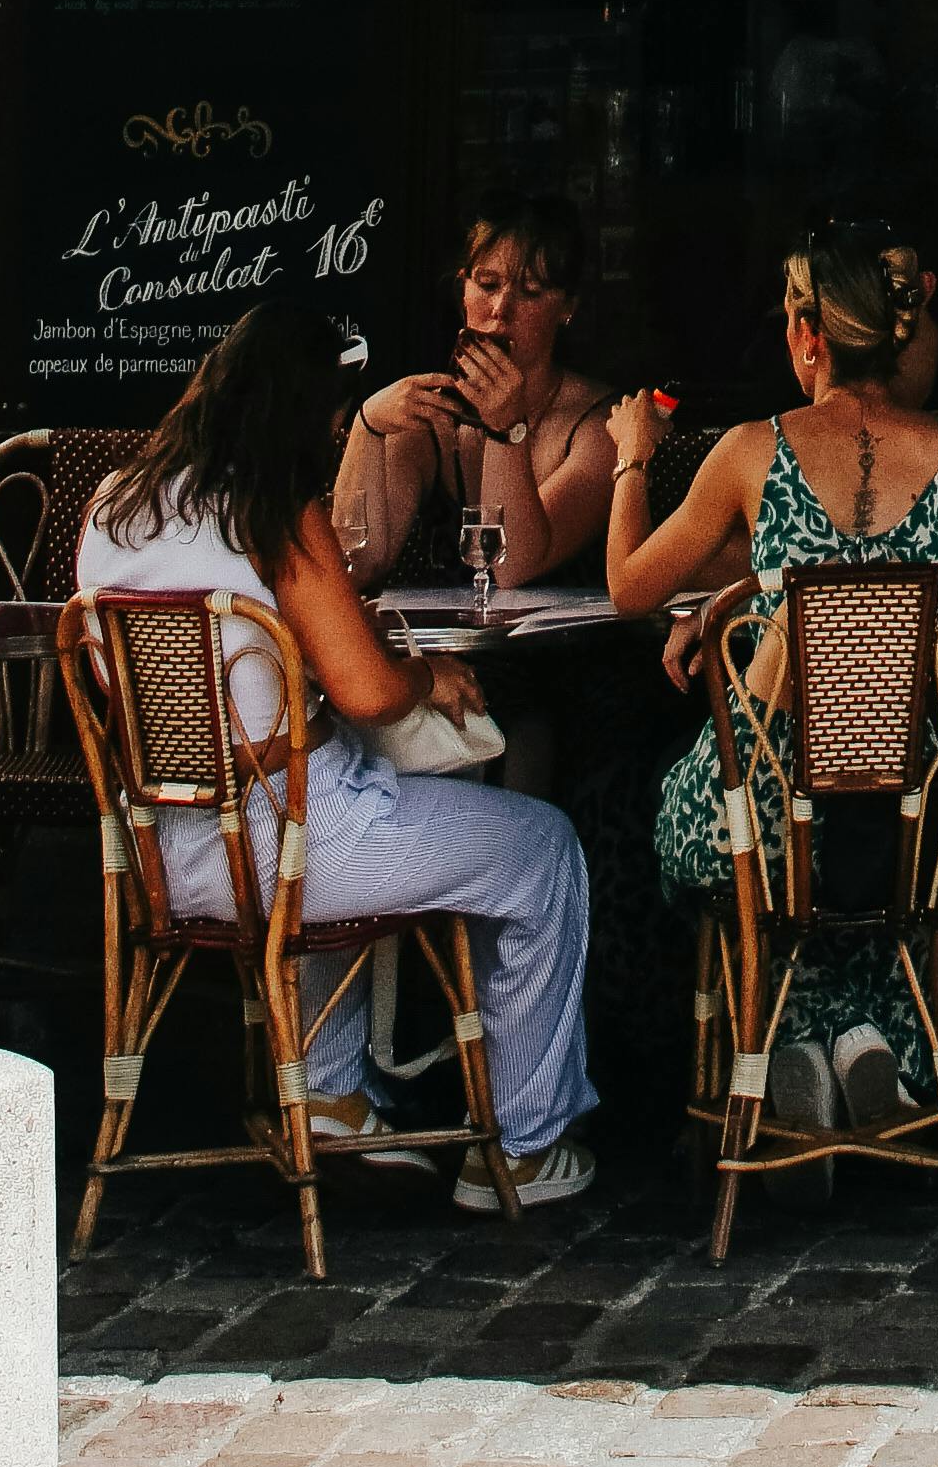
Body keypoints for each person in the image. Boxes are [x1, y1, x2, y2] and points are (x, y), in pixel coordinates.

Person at [85, 284, 596, 1216]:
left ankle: (330, 1093)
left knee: (337, 793)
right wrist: (429, 680)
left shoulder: (116, 504)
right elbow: (363, 688)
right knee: (540, 848)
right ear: (306, 411)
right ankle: (523, 1148)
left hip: (168, 853)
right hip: (283, 850)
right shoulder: (274, 507)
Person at [607, 229, 938, 1135]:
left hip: (768, 811)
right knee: (864, 865)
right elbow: (904, 577)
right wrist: (749, 595)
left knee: (710, 832)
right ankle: (857, 1039)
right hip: (910, 809)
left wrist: (631, 453)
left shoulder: (752, 451)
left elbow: (628, 588)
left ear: (807, 332)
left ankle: (794, 1049)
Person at [336, 197, 610, 592]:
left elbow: (512, 567)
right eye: (487, 285)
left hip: (560, 648)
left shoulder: (598, 426)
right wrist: (367, 424)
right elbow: (359, 563)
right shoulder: (427, 415)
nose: (501, 308)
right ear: (463, 289)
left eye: (530, 292)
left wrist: (506, 429)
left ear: (566, 308)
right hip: (435, 647)